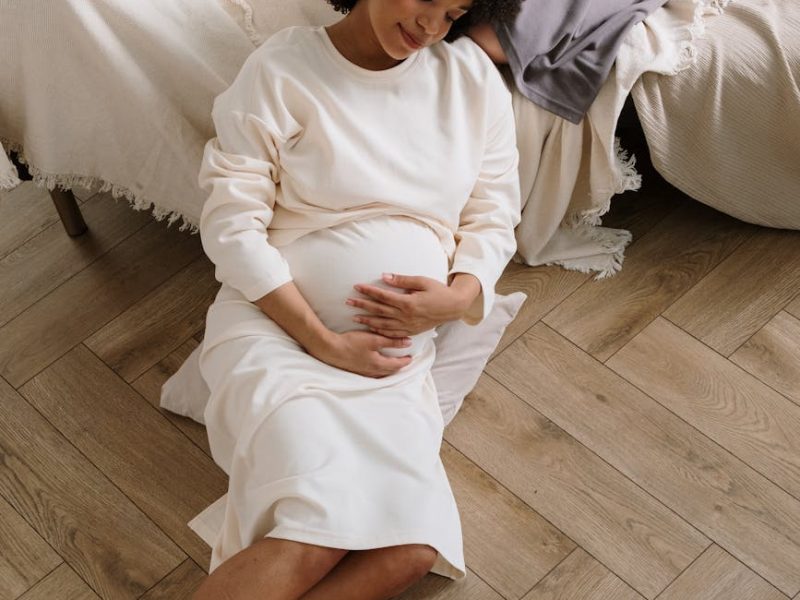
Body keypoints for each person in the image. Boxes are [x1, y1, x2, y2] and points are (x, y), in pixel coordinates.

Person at [191, 0, 522, 598]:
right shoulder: (282, 71)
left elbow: (494, 215)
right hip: (284, 339)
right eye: (426, 0)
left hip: (389, 368)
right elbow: (230, 226)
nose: (431, 28)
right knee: (317, 529)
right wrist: (326, 343)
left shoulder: (469, 80)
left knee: (411, 548)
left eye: (452, 13)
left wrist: (458, 298)